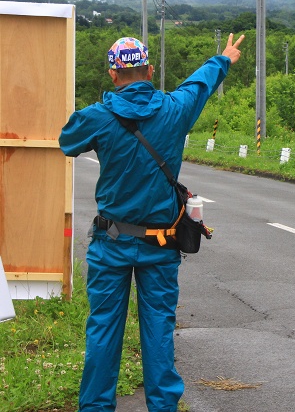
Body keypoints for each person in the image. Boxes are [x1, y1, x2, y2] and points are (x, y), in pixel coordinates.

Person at [59, 33, 245, 411]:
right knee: (159, 330)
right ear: (151, 69)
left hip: (110, 242)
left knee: (103, 330)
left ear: (113, 73)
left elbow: (67, 140)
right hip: (160, 245)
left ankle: (95, 407)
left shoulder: (99, 116)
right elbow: (198, 85)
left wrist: (101, 115)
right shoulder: (174, 110)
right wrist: (222, 59)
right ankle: (162, 407)